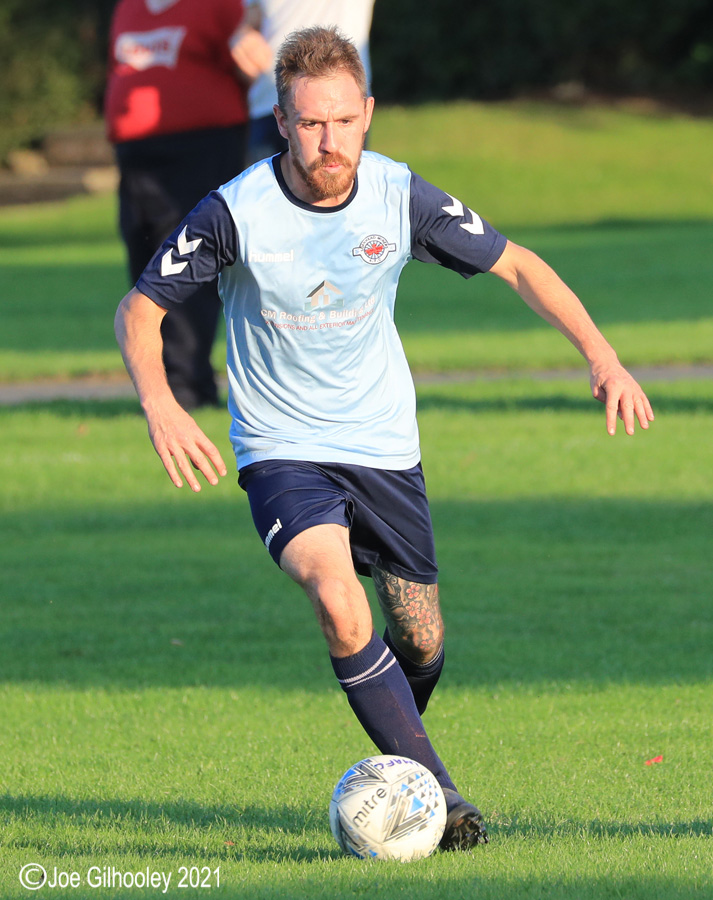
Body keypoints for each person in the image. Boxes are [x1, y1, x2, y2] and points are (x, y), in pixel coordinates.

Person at [114, 26, 654, 850]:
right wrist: (159, 402)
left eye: (341, 120)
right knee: (337, 600)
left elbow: (519, 266)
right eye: (307, 123)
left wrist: (603, 357)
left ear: (367, 114)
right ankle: (437, 793)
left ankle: (396, 748)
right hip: (281, 445)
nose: (326, 142)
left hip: (383, 447)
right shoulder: (237, 211)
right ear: (283, 122)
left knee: (422, 639)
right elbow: (140, 308)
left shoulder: (402, 199)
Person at [105, 0, 252, 410]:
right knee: (143, 257)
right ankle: (160, 382)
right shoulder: (129, 8)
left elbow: (250, 64)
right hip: (135, 155)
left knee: (187, 260)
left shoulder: (217, 5)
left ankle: (190, 385)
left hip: (201, 146)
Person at [231, 0, 374, 164]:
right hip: (269, 103)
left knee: (337, 185)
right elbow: (253, 18)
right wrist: (243, 37)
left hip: (339, 106)